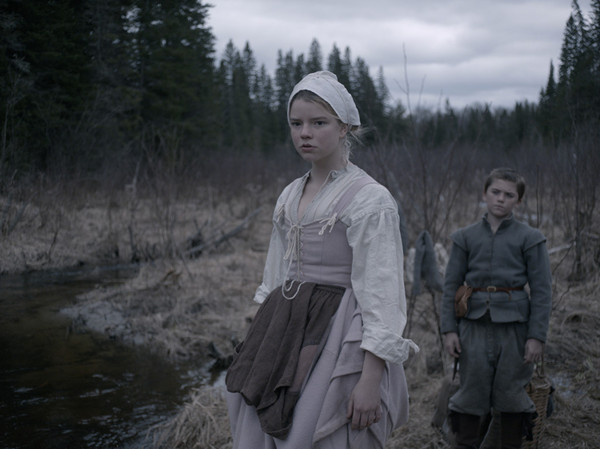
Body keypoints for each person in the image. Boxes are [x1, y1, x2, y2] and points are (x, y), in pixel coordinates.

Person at [225, 71, 418, 449]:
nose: (305, 133)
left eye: (318, 123)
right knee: (264, 420)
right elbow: (276, 272)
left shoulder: (369, 198)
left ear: (345, 127)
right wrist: (262, 339)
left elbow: (382, 291)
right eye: (296, 124)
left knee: (316, 428)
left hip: (339, 329)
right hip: (285, 323)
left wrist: (370, 378)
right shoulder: (289, 194)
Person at [440, 168, 553, 449]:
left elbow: (542, 291)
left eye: (509, 195)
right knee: (470, 392)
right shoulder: (465, 237)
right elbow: (451, 287)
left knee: (512, 394)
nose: (501, 199)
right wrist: (449, 330)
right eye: (496, 192)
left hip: (515, 330)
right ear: (485, 194)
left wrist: (536, 336)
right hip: (473, 327)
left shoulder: (530, 238)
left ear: (519, 201)